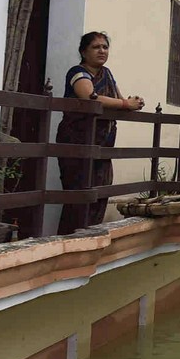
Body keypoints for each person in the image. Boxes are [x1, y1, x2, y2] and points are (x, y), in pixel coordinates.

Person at [56, 32, 144, 234]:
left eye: (105, 47)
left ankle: (90, 234)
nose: (102, 51)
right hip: (77, 143)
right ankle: (70, 237)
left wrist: (132, 103)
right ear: (83, 52)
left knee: (100, 191)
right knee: (78, 194)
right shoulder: (77, 72)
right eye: (96, 47)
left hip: (103, 145)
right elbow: (90, 97)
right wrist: (124, 103)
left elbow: (120, 100)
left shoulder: (107, 74)